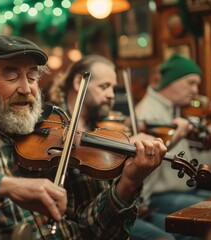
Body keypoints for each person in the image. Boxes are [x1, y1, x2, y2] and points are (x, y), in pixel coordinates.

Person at [0, 35, 167, 239]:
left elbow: (94, 229)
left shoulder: (60, 125)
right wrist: (7, 186)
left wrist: (129, 183)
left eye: (32, 76)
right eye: (12, 75)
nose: (26, 88)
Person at [48, 54, 179, 240]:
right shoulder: (55, 127)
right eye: (104, 86)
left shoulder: (104, 126)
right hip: (90, 224)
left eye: (113, 87)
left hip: (119, 211)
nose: (111, 95)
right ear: (79, 82)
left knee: (180, 228)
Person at [134, 54, 211, 239]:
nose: (195, 90)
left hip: (182, 189)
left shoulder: (173, 111)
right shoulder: (149, 115)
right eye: (190, 83)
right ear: (171, 81)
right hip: (158, 197)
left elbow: (194, 164)